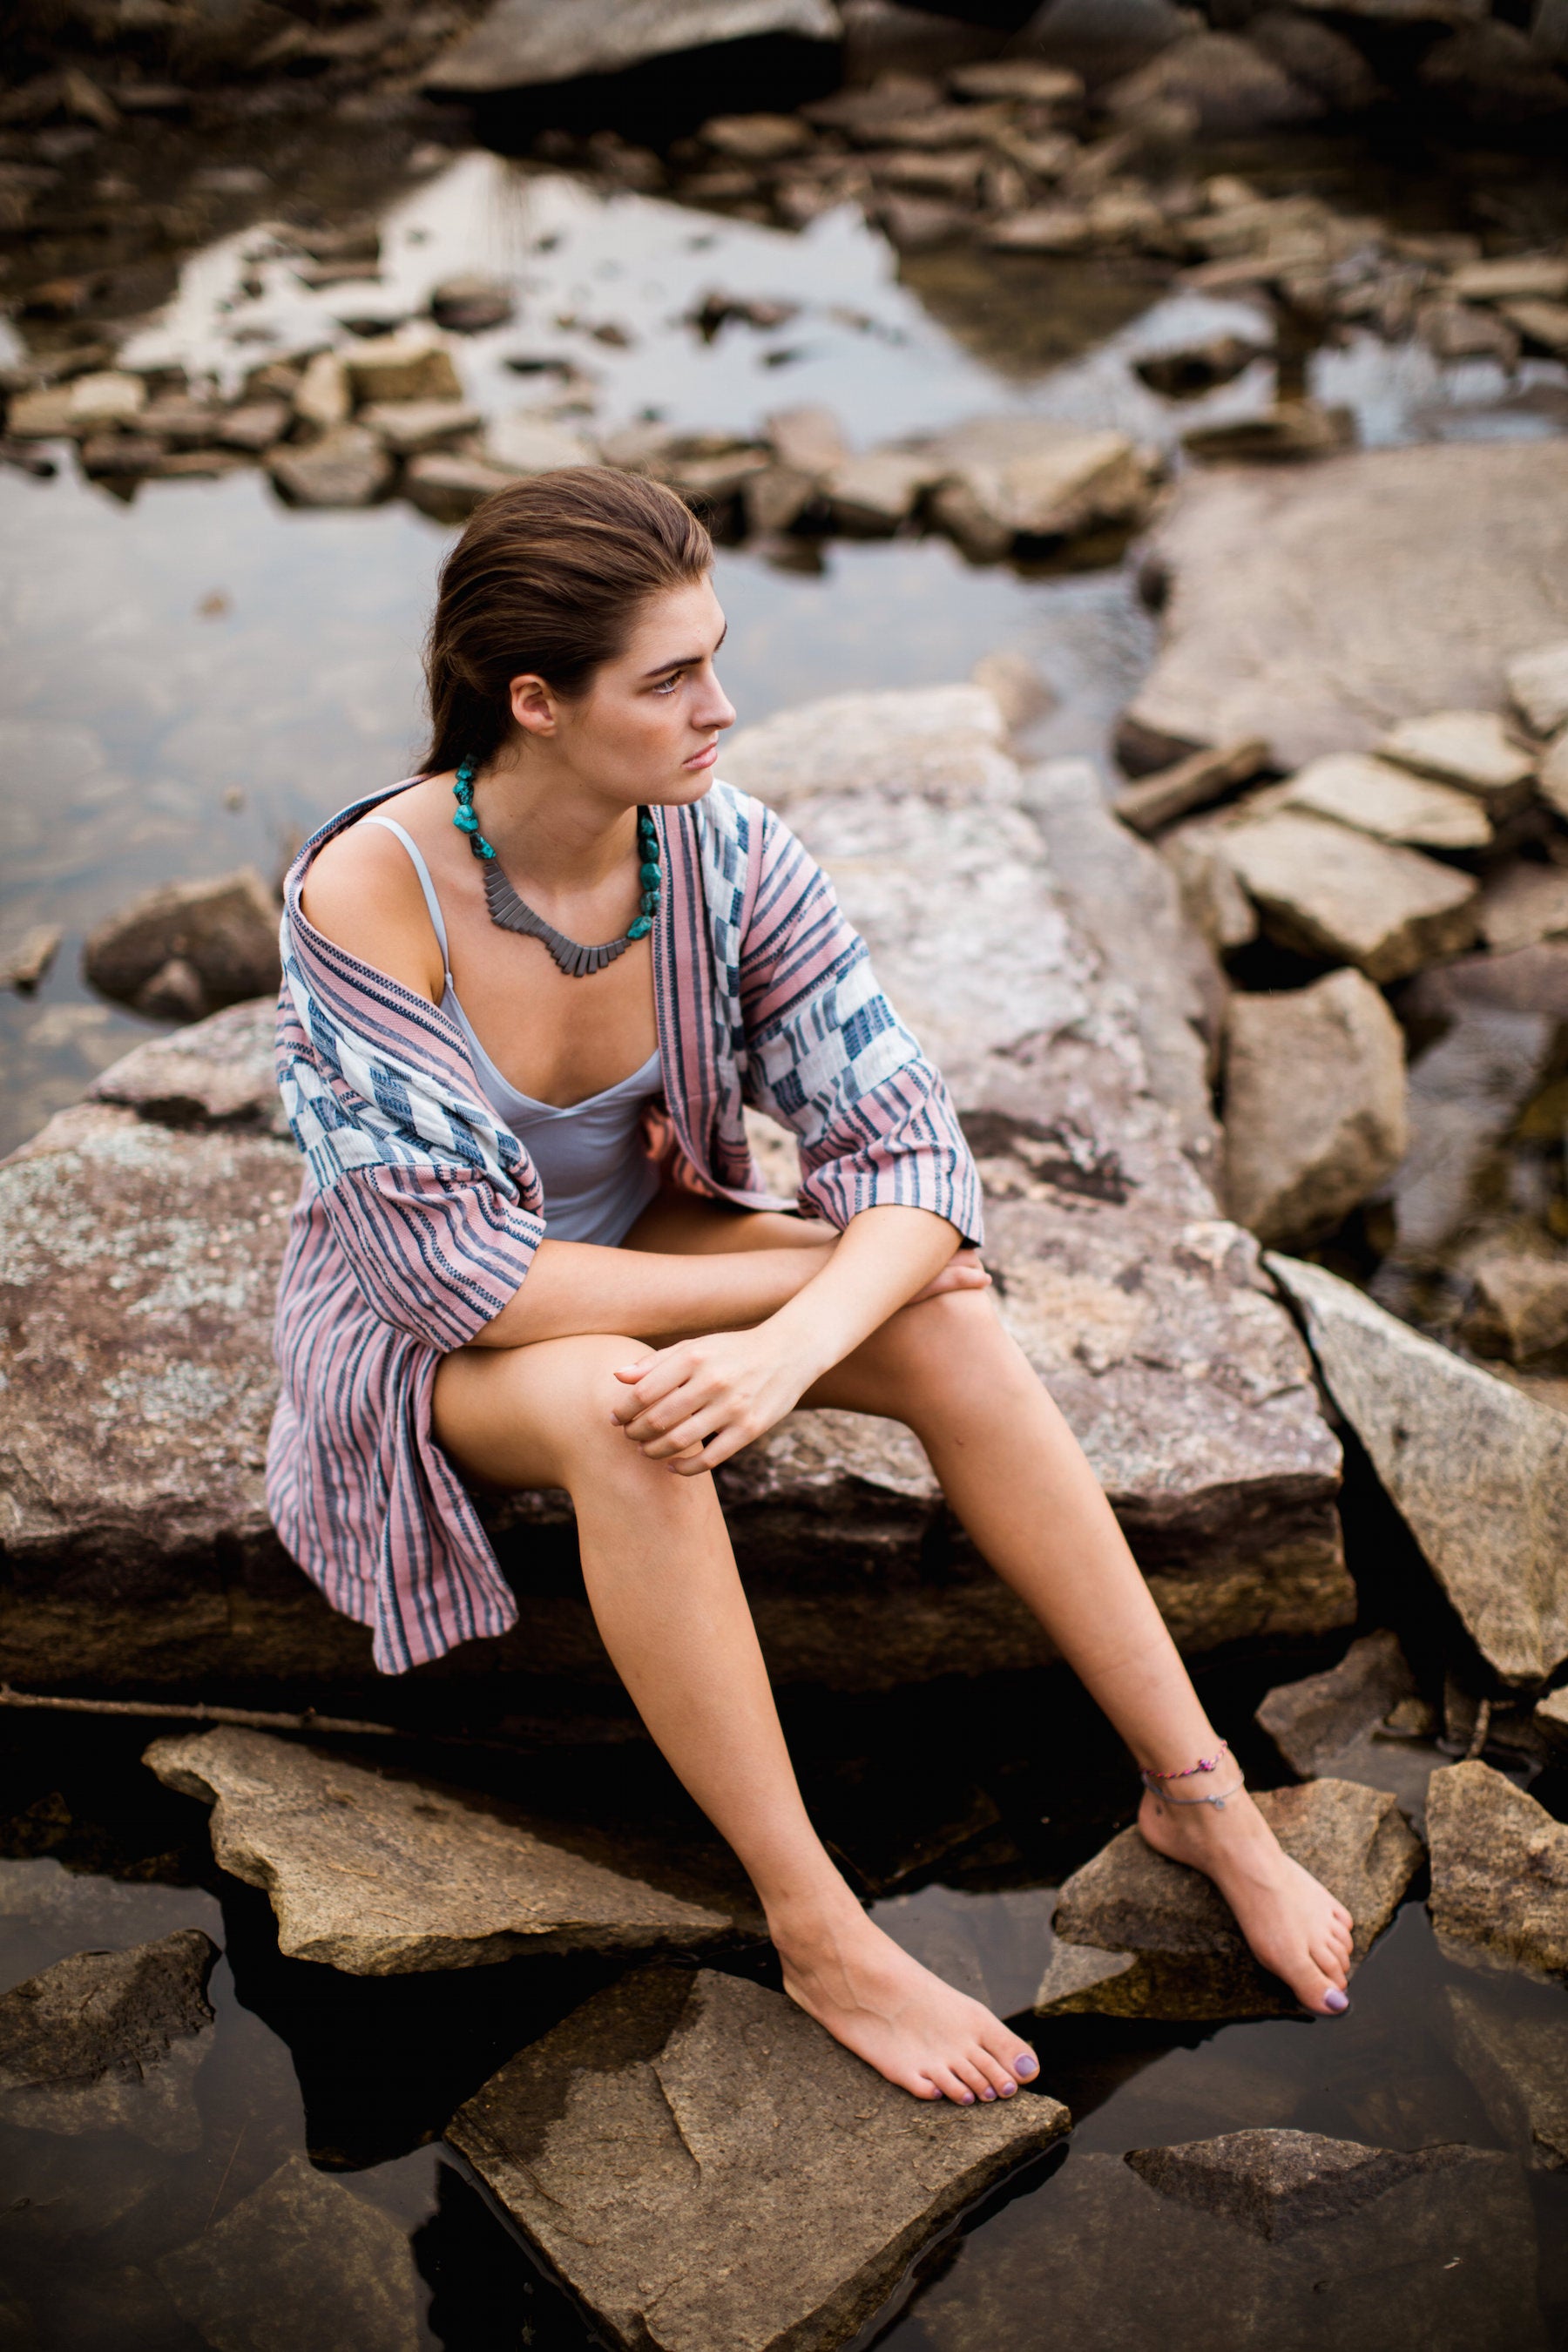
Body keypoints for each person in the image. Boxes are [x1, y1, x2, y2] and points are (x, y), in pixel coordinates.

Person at [269, 466, 1353, 2108]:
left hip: (646, 1235)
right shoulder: (369, 894)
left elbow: (919, 1168)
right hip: (440, 1337)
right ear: (536, 702)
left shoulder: (726, 852)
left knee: (938, 1307)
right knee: (633, 1416)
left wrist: (794, 1345)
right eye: (672, 680)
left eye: (717, 656)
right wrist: (752, 1326)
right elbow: (452, 1276)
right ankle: (818, 1922)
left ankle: (1195, 1788)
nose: (724, 707)